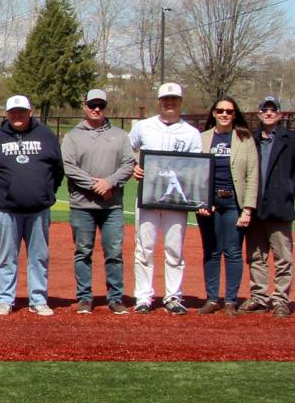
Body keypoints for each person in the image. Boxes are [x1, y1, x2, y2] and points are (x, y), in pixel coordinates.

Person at [0, 95, 63, 316]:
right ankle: (5, 299)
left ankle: (38, 299)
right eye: (13, 112)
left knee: (39, 257)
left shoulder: (46, 136)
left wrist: (47, 192)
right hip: (7, 211)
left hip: (39, 209)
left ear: (30, 112)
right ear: (7, 114)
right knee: (7, 258)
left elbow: (58, 169)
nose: (17, 115)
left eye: (21, 111)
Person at [129, 81, 203, 314]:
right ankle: (143, 297)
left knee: (174, 248)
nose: (169, 103)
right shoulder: (144, 127)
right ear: (159, 102)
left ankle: (173, 296)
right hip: (149, 197)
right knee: (144, 247)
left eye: (174, 99)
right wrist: (133, 167)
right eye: (165, 99)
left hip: (175, 200)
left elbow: (196, 166)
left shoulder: (191, 133)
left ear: (180, 102)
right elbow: (126, 149)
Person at [61, 89, 136, 314]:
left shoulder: (120, 135)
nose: (96, 109)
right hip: (82, 204)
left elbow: (128, 164)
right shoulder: (73, 136)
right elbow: (68, 167)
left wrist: (109, 183)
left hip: (111, 205)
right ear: (84, 106)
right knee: (83, 251)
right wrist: (96, 186)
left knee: (114, 252)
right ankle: (84, 297)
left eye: (100, 105)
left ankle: (115, 297)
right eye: (92, 105)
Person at [196, 97, 257, 315]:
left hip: (233, 202)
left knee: (232, 251)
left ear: (234, 115)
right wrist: (200, 201)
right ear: (213, 113)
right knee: (211, 251)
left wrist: (248, 209)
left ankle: (230, 300)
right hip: (209, 202)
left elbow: (252, 175)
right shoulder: (202, 138)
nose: (224, 114)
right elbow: (193, 173)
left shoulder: (245, 138)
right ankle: (212, 299)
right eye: (220, 110)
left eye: (229, 112)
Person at [243, 95, 295, 316]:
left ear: (279, 114)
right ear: (259, 114)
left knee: (282, 257)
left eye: (272, 110)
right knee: (256, 255)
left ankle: (280, 299)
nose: (268, 113)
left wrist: (289, 189)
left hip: (280, 206)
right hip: (255, 205)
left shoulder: (293, 139)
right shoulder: (251, 138)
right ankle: (258, 297)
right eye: (264, 110)